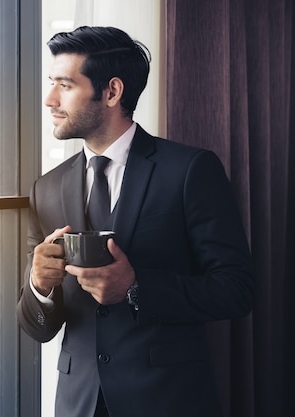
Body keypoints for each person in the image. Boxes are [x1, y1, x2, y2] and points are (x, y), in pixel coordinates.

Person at [16, 26, 253, 417]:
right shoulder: (47, 188)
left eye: (65, 85)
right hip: (78, 404)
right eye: (51, 84)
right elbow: (38, 328)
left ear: (111, 92)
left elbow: (237, 290)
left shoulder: (190, 170)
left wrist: (136, 287)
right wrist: (39, 285)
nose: (49, 99)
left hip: (168, 400)